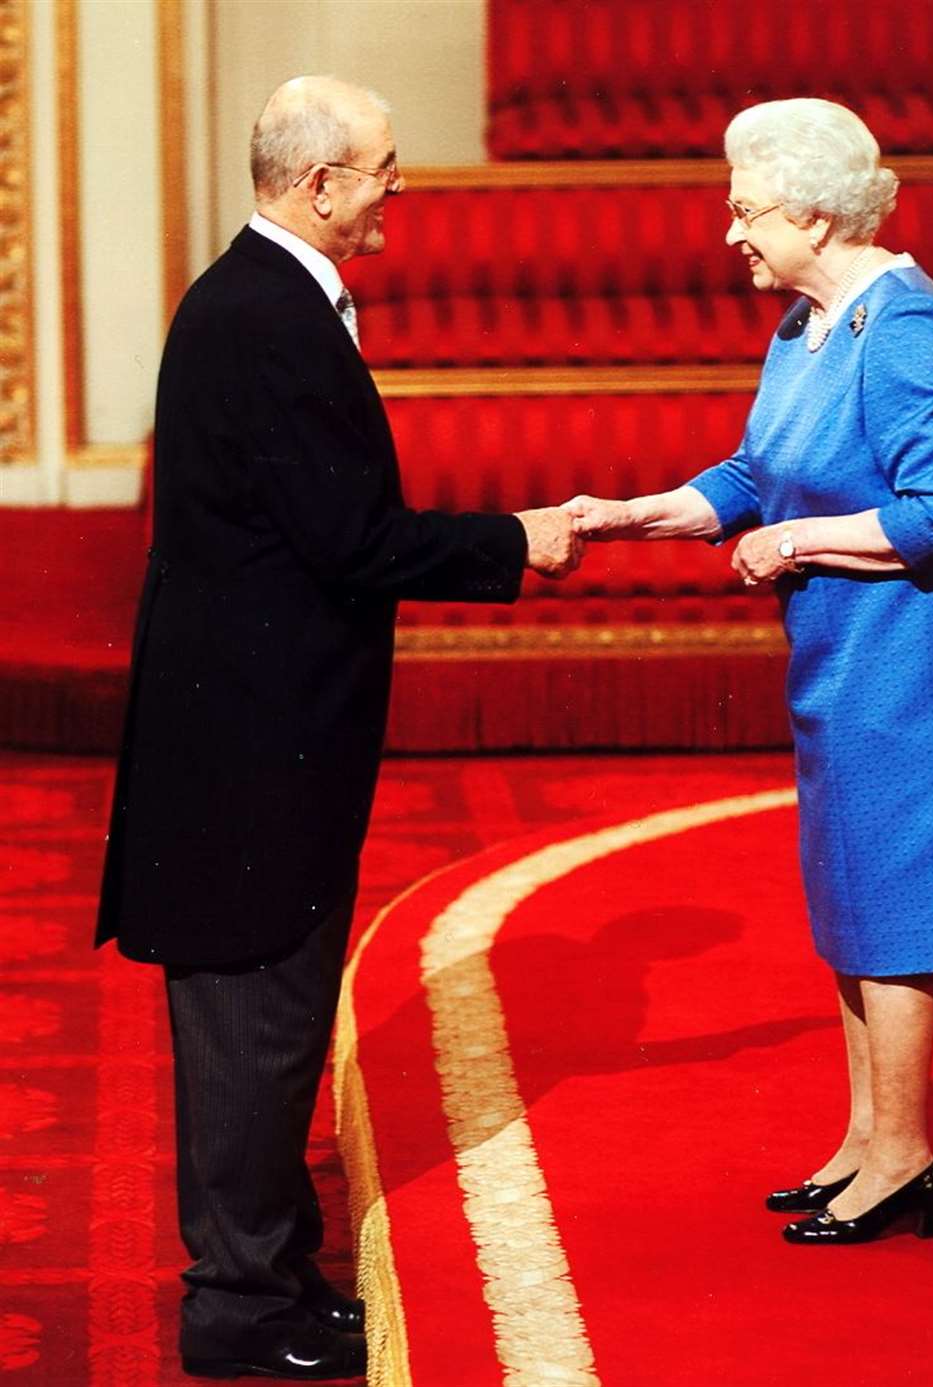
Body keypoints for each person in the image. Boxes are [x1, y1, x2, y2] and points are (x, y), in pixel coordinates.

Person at [95, 76, 580, 1381]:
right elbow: (352, 538)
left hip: (256, 731)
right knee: (257, 1021)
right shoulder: (269, 322)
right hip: (252, 749)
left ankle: (271, 1268)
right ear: (319, 186)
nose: (397, 187)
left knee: (277, 1017)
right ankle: (238, 1300)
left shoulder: (257, 301)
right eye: (381, 168)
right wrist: (517, 540)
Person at [564, 97, 933, 1247]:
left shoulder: (911, 328)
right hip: (839, 648)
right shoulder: (805, 326)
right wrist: (628, 514)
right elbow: (754, 474)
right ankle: (869, 1139)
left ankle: (909, 1155)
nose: (731, 233)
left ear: (817, 217)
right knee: (850, 890)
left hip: (913, 652)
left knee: (900, 901)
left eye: (746, 211)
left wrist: (794, 543)